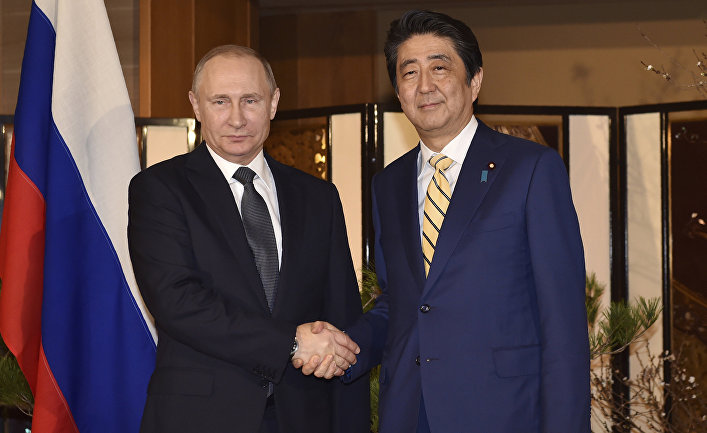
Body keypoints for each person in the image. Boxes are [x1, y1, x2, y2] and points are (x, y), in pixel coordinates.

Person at [302, 9, 590, 433]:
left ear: (475, 81)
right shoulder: (389, 184)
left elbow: (563, 322)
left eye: (439, 68)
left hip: (505, 413)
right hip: (410, 411)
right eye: (409, 72)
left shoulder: (530, 169)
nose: (424, 85)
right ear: (398, 93)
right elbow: (401, 304)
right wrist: (345, 348)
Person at [127, 45, 369, 433]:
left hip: (304, 415)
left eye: (250, 100)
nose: (237, 118)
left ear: (273, 103)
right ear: (196, 105)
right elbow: (177, 301)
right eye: (220, 101)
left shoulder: (318, 196)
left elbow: (341, 311)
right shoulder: (160, 189)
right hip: (201, 418)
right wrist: (290, 343)